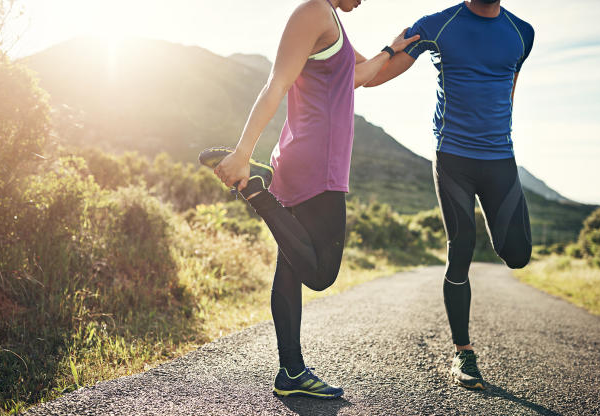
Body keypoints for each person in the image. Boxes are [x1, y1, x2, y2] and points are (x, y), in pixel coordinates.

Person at [198, 0, 419, 399]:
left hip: (309, 158)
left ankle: (291, 372)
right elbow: (276, 84)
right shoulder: (313, 11)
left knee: (291, 268)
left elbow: (365, 76)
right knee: (320, 274)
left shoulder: (332, 24)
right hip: (317, 163)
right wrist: (243, 153)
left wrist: (405, 47)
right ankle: (255, 190)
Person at [366, 0, 534, 390]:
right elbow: (375, 77)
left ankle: (465, 345)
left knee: (518, 255)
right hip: (453, 156)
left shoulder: (522, 33)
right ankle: (464, 352)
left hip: (500, 158)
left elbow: (508, 87)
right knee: (462, 246)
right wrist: (383, 51)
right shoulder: (437, 25)